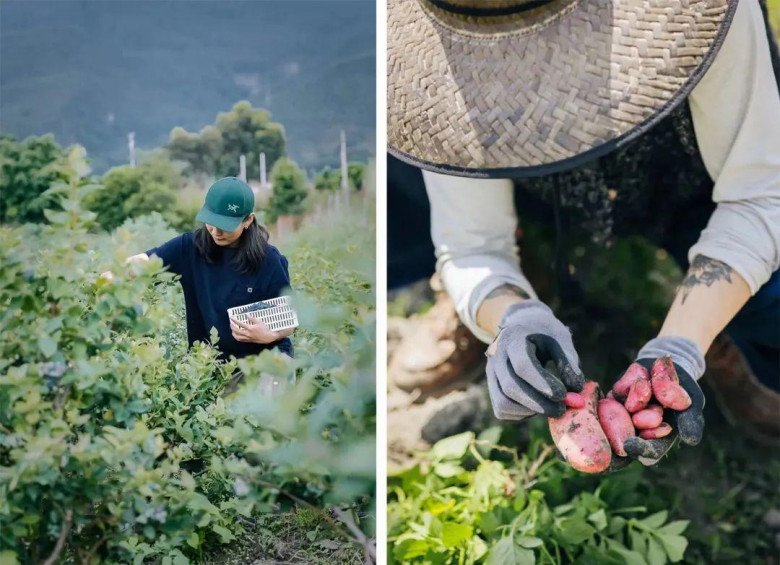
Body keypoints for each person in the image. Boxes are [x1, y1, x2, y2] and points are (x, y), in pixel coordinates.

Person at [387, 0, 780, 462]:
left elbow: (761, 195)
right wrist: (508, 314)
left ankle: (723, 325)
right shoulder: (432, 76)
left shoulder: (709, 13)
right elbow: (471, 244)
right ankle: (519, 269)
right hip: (542, 199)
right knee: (396, 161)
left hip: (689, 182)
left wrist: (682, 344)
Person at [109, 176, 295, 360]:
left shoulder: (268, 260)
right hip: (208, 365)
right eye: (211, 223)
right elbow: (145, 261)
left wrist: (270, 335)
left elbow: (290, 319)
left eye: (225, 226)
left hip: (265, 360)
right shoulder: (190, 247)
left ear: (248, 220)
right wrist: (108, 278)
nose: (215, 232)